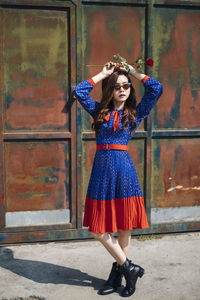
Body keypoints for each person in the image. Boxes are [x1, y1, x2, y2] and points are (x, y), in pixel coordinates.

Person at [73, 61, 163, 297]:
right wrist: (103, 74)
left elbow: (156, 88)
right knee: (97, 230)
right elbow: (79, 91)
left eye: (126, 86)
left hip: (124, 170)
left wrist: (132, 72)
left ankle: (119, 273)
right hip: (102, 171)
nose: (122, 89)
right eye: (117, 86)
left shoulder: (135, 112)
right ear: (110, 90)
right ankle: (129, 268)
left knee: (124, 225)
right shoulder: (99, 112)